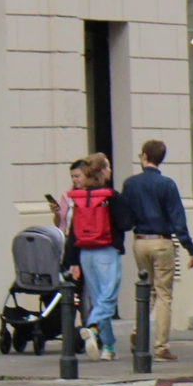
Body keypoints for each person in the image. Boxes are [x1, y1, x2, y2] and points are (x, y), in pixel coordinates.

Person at [119, 139, 193, 362]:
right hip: (162, 241)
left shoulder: (130, 184)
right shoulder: (167, 184)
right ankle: (161, 346)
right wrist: (189, 248)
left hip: (140, 241)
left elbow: (125, 216)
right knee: (164, 294)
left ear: (144, 156)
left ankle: (137, 331)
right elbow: (177, 218)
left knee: (147, 290)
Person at [46, 153, 120, 359]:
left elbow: (74, 231)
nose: (75, 180)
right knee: (105, 296)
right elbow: (125, 222)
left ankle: (107, 346)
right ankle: (93, 330)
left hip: (81, 251)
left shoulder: (82, 199)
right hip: (96, 251)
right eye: (72, 177)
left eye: (77, 176)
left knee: (96, 298)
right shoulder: (104, 196)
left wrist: (72, 260)